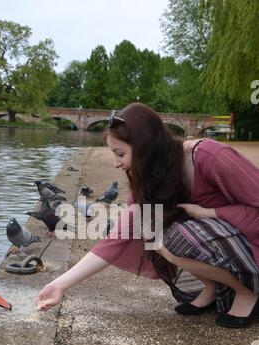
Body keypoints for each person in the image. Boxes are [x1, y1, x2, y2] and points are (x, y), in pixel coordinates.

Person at [37, 103, 259, 329]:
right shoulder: (154, 177)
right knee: (150, 228)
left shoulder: (211, 157)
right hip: (227, 244)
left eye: (120, 153)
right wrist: (60, 284)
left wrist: (210, 212)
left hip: (252, 245)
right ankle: (213, 287)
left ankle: (247, 291)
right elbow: (115, 239)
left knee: (170, 238)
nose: (115, 163)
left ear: (145, 147)